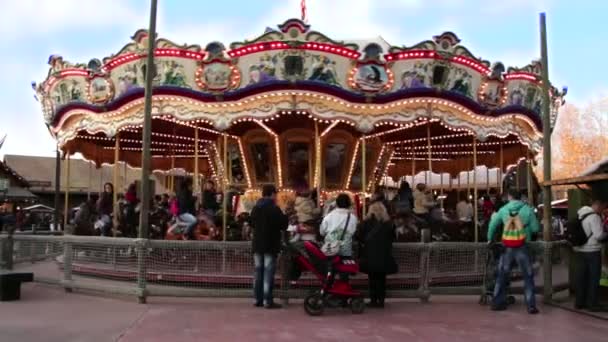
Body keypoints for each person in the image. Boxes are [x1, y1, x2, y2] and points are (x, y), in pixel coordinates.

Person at [487, 189, 540, 314]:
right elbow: (535, 228)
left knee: (502, 275)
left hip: (507, 247)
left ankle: (497, 302)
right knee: (528, 276)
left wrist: (490, 238)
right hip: (523, 245)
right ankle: (531, 305)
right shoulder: (528, 209)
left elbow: (493, 224)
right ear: (520, 197)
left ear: (509, 197)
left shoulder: (504, 209)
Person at [250, 184, 288, 309]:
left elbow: (252, 223)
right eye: (275, 194)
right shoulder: (274, 209)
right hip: (270, 244)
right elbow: (283, 225)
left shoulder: (256, 208)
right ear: (272, 194)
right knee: (268, 272)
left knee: (258, 271)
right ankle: (267, 300)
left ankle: (257, 298)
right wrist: (286, 215)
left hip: (257, 244)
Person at [356, 202, 397, 308]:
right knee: (382, 279)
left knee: (372, 278)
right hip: (384, 254)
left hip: (370, 253)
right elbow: (393, 237)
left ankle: (373, 300)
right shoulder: (389, 224)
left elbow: (359, 236)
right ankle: (381, 300)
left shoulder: (366, 223)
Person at [573, 199, 608, 311]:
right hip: (592, 251)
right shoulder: (594, 217)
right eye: (603, 207)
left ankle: (579, 302)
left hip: (579, 251)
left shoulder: (579, 214)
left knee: (581, 278)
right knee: (593, 278)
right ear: (599, 205)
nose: (603, 210)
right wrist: (606, 234)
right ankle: (592, 304)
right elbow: (598, 235)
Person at [320, 193, 358, 258]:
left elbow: (322, 232)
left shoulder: (329, 216)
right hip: (345, 251)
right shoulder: (353, 218)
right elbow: (353, 232)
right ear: (349, 204)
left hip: (330, 250)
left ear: (337, 203)